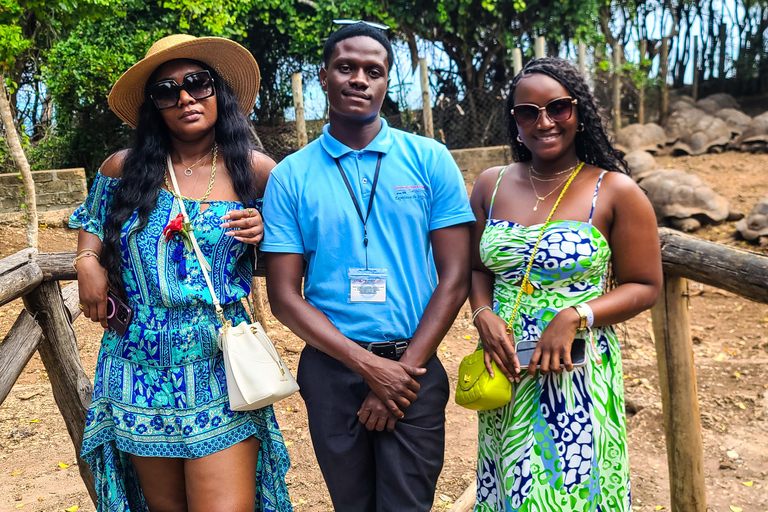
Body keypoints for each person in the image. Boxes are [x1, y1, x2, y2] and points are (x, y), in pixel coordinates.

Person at [70, 34, 292, 512]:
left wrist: (265, 231)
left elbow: (298, 250)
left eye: (197, 83)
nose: (186, 97)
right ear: (154, 107)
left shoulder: (256, 172)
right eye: (167, 91)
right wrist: (87, 260)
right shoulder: (122, 170)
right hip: (135, 366)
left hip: (217, 363)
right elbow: (90, 220)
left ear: (218, 92)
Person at [261, 22, 475, 512]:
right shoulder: (291, 175)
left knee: (406, 505)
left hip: (414, 367)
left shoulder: (429, 159)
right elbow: (284, 297)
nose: (359, 78)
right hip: (332, 370)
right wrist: (368, 367)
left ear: (386, 84)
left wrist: (400, 372)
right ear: (324, 76)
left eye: (373, 71)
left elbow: (455, 277)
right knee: (351, 505)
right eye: (346, 67)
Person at [468, 57, 662, 511]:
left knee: (574, 490)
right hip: (508, 368)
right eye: (527, 112)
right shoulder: (489, 186)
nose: (544, 122)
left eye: (558, 107)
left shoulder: (615, 190)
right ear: (513, 122)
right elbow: (478, 270)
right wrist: (482, 315)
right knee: (513, 488)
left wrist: (577, 315)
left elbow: (645, 284)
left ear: (579, 112)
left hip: (577, 373)